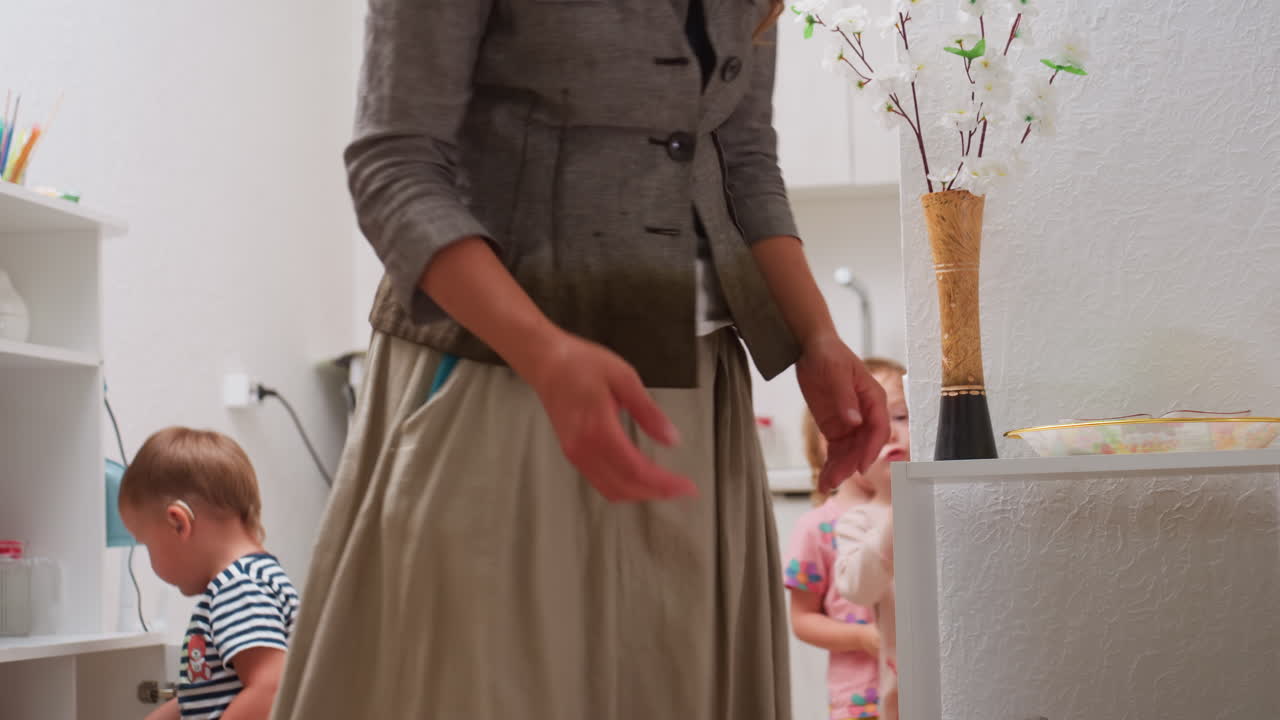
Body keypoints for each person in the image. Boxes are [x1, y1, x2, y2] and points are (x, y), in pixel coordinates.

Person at [272, 1, 889, 718]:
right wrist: (545, 352)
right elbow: (394, 166)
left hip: (691, 399)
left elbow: (744, 155)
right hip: (499, 372)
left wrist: (818, 338)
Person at [119, 427, 298, 720]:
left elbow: (270, 687)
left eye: (146, 543)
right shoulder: (253, 577)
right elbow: (205, 695)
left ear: (179, 524)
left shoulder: (238, 588)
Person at [788, 359, 906, 720]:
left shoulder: (916, 510)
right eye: (863, 424)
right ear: (824, 444)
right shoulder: (817, 528)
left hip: (918, 685)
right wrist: (860, 638)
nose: (886, 432)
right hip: (859, 698)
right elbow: (802, 619)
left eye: (900, 416)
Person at [833, 363, 911, 720]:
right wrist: (898, 511)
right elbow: (857, 590)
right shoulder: (859, 522)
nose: (891, 435)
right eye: (871, 428)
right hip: (903, 690)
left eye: (900, 416)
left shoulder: (951, 503)